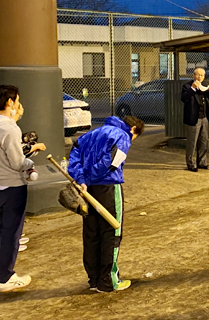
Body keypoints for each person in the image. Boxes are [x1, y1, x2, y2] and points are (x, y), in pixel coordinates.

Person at [68, 115, 145, 292]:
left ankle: (94, 279)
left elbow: (75, 153)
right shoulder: (123, 136)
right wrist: (90, 177)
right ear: (133, 130)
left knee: (91, 232)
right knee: (111, 231)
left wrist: (82, 179)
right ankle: (108, 280)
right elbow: (111, 163)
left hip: (87, 190)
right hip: (108, 187)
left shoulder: (91, 134)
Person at [0, 85, 36, 292]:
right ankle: (6, 278)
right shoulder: (10, 128)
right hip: (13, 185)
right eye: (17, 101)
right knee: (12, 232)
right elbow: (17, 162)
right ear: (10, 102)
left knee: (2, 229)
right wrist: (30, 163)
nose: (19, 105)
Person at [182, 67, 209, 172]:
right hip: (193, 118)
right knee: (192, 142)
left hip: (204, 117)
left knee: (203, 141)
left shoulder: (203, 86)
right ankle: (190, 164)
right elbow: (184, 98)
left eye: (202, 75)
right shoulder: (187, 86)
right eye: (198, 75)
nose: (199, 77)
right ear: (193, 75)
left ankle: (202, 162)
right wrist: (192, 88)